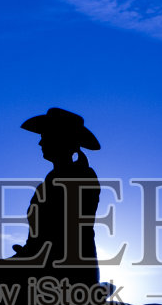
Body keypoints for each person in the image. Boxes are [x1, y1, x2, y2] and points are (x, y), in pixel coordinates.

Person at [12, 107, 101, 289]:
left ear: (61, 138)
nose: (40, 142)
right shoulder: (48, 183)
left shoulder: (82, 177)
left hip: (68, 275)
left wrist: (27, 258)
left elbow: (65, 233)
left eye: (45, 135)